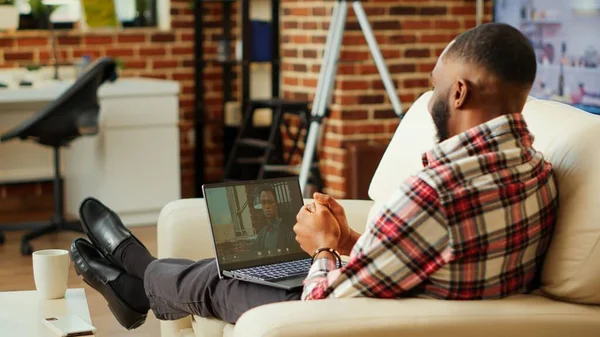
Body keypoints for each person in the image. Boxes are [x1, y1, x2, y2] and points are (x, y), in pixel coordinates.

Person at [69, 22, 559, 330]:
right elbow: (437, 254)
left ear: (458, 93)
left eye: (433, 86)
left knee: (217, 282)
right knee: (226, 270)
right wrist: (347, 237)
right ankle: (133, 281)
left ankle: (133, 274)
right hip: (411, 297)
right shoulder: (536, 170)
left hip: (377, 318)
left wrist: (324, 248)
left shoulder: (438, 189)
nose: (427, 97)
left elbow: (324, 308)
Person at [252, 185, 295, 251]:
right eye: (263, 203)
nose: (267, 206)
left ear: (276, 204)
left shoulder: (289, 233)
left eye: (270, 202)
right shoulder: (262, 234)